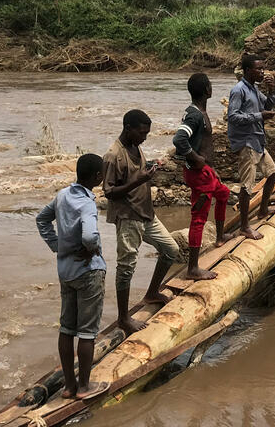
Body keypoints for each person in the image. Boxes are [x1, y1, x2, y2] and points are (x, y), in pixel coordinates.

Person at [35, 154, 109, 401]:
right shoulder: (87, 203)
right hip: (88, 272)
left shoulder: (62, 195)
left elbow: (42, 219)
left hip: (66, 271)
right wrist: (92, 248)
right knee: (87, 332)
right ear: (98, 177)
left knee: (67, 328)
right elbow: (89, 236)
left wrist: (57, 246)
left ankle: (69, 386)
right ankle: (85, 387)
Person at [102, 109, 182, 335]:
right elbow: (109, 192)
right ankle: (123, 318)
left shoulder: (134, 146)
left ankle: (152, 292)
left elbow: (136, 174)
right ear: (128, 129)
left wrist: (149, 169)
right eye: (142, 132)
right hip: (128, 217)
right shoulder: (113, 155)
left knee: (171, 249)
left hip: (146, 213)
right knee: (126, 268)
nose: (145, 137)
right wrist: (140, 179)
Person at [173, 73, 232, 280]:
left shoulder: (198, 111)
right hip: (199, 175)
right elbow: (179, 140)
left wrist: (209, 166)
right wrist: (196, 158)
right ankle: (192, 269)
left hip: (206, 172)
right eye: (210, 85)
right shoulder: (195, 115)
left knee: (223, 194)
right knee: (198, 219)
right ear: (207, 90)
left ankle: (219, 236)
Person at [228, 54, 275, 240]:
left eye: (263, 68)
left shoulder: (254, 89)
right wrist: (259, 116)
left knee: (274, 173)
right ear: (248, 71)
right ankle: (244, 227)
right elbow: (233, 116)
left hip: (257, 140)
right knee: (247, 187)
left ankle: (263, 210)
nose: (262, 72)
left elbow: (269, 104)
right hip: (246, 142)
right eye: (259, 69)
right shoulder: (239, 90)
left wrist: (272, 89)